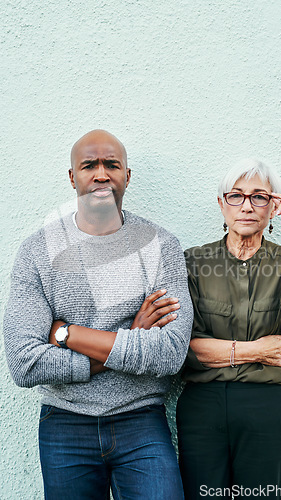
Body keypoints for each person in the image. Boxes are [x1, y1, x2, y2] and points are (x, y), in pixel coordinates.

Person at [3, 129, 193, 500]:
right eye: (89, 165)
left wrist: (66, 334)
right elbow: (24, 364)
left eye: (112, 165)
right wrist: (129, 340)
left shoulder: (161, 246)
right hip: (64, 424)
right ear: (73, 177)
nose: (101, 174)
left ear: (127, 176)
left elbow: (170, 354)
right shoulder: (37, 251)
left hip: (141, 420)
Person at [176, 158, 281, 500]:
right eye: (236, 196)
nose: (247, 206)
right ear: (222, 204)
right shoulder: (193, 262)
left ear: (273, 205)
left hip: (265, 407)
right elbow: (183, 347)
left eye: (259, 197)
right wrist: (258, 351)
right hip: (204, 407)